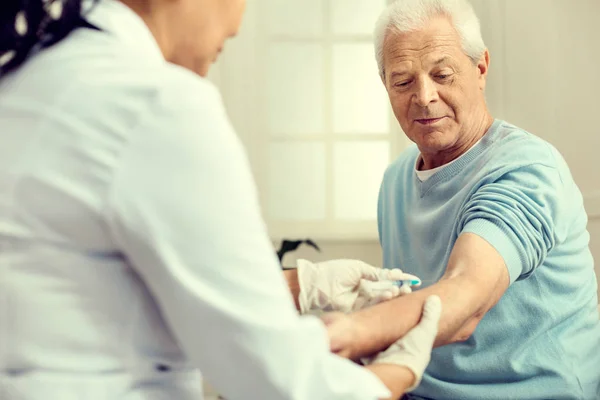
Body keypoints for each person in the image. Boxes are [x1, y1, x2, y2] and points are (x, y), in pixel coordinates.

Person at [0, 0, 442, 399]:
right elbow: (284, 383)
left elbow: (102, 282)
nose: (240, 17)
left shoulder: (32, 77)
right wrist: (397, 371)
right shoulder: (157, 103)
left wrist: (298, 286)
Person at [325, 0, 600, 399]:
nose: (424, 96)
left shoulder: (527, 169)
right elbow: (412, 310)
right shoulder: (396, 180)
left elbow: (464, 299)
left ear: (481, 69)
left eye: (442, 74)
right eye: (403, 82)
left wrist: (351, 333)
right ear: (386, 85)